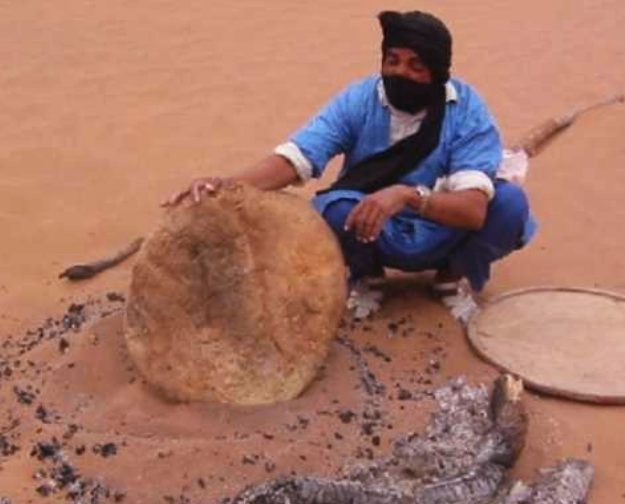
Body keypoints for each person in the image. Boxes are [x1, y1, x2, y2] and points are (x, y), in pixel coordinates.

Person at [163, 10, 536, 307]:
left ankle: (452, 277)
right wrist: (226, 185)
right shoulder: (359, 100)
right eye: (393, 60)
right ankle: (367, 276)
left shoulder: (467, 110)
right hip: (372, 223)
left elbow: (472, 211)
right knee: (333, 209)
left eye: (415, 66)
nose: (400, 72)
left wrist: (407, 195)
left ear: (437, 74)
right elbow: (296, 159)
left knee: (509, 204)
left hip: (441, 226)